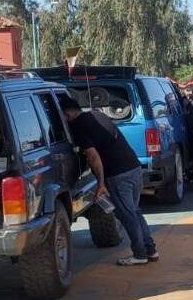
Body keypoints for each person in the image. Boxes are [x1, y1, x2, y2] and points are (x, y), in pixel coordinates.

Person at [59, 96, 158, 266]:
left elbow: (93, 157)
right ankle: (150, 250)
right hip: (134, 167)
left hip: (118, 175)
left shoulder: (79, 127)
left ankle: (140, 254)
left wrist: (101, 183)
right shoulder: (98, 115)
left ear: (67, 114)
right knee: (134, 212)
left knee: (127, 216)